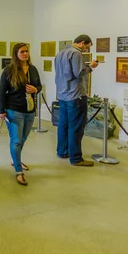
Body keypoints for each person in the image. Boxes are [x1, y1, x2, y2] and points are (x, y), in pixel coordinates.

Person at [0, 43, 42, 186]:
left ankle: (14, 158)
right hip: (14, 110)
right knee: (16, 140)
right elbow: (2, 92)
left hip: (29, 111)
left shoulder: (33, 69)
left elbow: (39, 86)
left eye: (27, 51)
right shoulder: (8, 71)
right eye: (22, 51)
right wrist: (1, 111)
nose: (25, 54)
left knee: (23, 138)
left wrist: (36, 89)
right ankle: (18, 171)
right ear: (16, 54)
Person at [54, 34, 99, 167]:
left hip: (62, 95)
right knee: (76, 127)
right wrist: (91, 67)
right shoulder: (76, 54)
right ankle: (76, 158)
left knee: (63, 125)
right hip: (75, 95)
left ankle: (62, 151)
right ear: (82, 43)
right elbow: (78, 73)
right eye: (87, 47)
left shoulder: (60, 53)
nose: (86, 50)